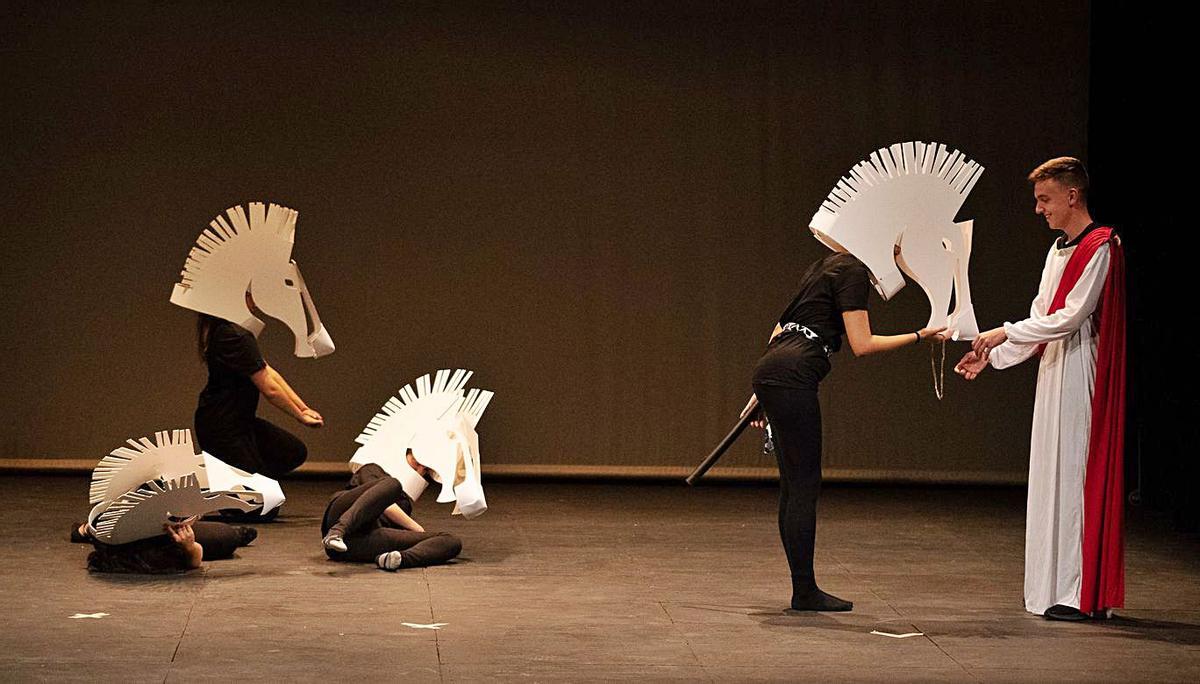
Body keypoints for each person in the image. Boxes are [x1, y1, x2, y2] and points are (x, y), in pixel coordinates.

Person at [957, 157, 1126, 621]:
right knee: (1050, 477)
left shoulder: (1101, 246)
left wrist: (1003, 333)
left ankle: (1078, 593)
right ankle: (1050, 588)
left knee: (1073, 478)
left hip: (1080, 371)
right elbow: (1041, 315)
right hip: (1053, 369)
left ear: (1072, 195)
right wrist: (993, 354)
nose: (1039, 209)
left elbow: (1070, 317)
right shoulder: (1057, 251)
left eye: (1045, 199)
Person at [745, 250, 944, 612]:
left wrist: (764, 389)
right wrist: (919, 336)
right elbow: (862, 344)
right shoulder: (853, 271)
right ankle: (804, 591)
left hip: (774, 368)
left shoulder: (825, 265)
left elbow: (780, 329)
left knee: (794, 485)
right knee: (804, 486)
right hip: (793, 373)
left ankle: (803, 588)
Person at [193, 293, 323, 482]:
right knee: (255, 497)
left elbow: (268, 372)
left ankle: (254, 481)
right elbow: (270, 389)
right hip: (222, 427)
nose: (254, 303)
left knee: (292, 451)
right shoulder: (233, 336)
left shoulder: (224, 330)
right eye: (248, 295)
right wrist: (299, 416)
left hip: (239, 422)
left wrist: (303, 408)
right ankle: (248, 484)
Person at [320, 459, 462, 571]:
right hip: (342, 515)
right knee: (392, 485)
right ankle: (337, 531)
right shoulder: (371, 469)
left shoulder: (405, 503)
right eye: (417, 462)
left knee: (451, 541)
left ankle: (397, 559)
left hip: (361, 541)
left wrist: (420, 538)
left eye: (426, 470)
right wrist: (417, 529)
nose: (420, 470)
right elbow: (381, 502)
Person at [72, 519, 256, 573]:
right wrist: (189, 546)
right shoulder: (154, 554)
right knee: (225, 536)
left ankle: (85, 529)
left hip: (138, 525)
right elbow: (193, 561)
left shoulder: (107, 531)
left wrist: (87, 529)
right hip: (165, 537)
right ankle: (237, 535)